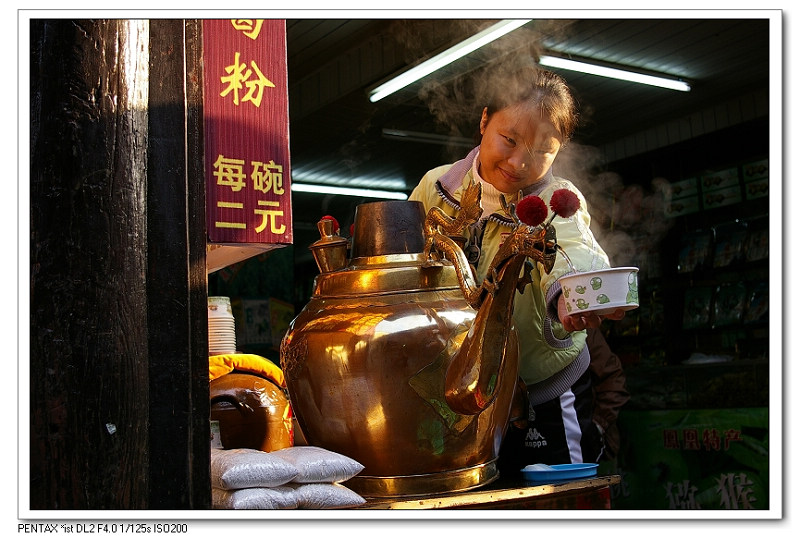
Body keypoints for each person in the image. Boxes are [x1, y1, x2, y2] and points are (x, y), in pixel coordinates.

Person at [408, 63, 625, 472]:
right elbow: (404, 259)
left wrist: (572, 297)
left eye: (544, 151)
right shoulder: (435, 188)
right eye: (509, 140)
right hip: (456, 390)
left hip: (545, 389)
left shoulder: (558, 199)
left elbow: (575, 252)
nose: (521, 162)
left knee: (555, 501)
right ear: (484, 121)